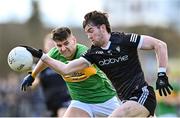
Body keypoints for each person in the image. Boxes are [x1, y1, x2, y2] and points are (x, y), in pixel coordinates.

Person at [21, 11, 173, 117]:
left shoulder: (124, 39)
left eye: (90, 31)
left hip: (139, 95)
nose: (88, 36)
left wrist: (161, 74)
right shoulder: (93, 54)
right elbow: (66, 69)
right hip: (111, 101)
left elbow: (160, 45)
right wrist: (39, 61)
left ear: (102, 27)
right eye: (86, 32)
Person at [20, 27, 120, 117]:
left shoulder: (83, 53)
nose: (63, 49)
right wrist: (33, 75)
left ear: (74, 40)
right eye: (59, 45)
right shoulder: (55, 52)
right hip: (81, 102)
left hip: (105, 100)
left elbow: (66, 69)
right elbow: (44, 61)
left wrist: (41, 55)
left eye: (66, 43)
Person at [32, 34, 71, 117]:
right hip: (50, 102)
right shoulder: (39, 63)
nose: (50, 47)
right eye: (48, 44)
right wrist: (35, 81)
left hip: (65, 98)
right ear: (44, 45)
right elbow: (33, 83)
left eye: (53, 44)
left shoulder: (63, 59)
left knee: (63, 114)